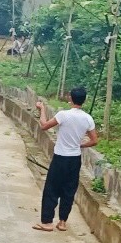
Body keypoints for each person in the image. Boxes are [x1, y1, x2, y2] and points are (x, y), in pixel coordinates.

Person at [32, 87, 98, 232]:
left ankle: (47, 222)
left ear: (70, 99)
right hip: (75, 159)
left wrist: (41, 108)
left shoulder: (63, 115)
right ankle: (62, 222)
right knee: (69, 190)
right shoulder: (88, 118)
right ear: (84, 100)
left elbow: (44, 126)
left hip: (61, 157)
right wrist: (80, 145)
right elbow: (94, 141)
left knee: (51, 188)